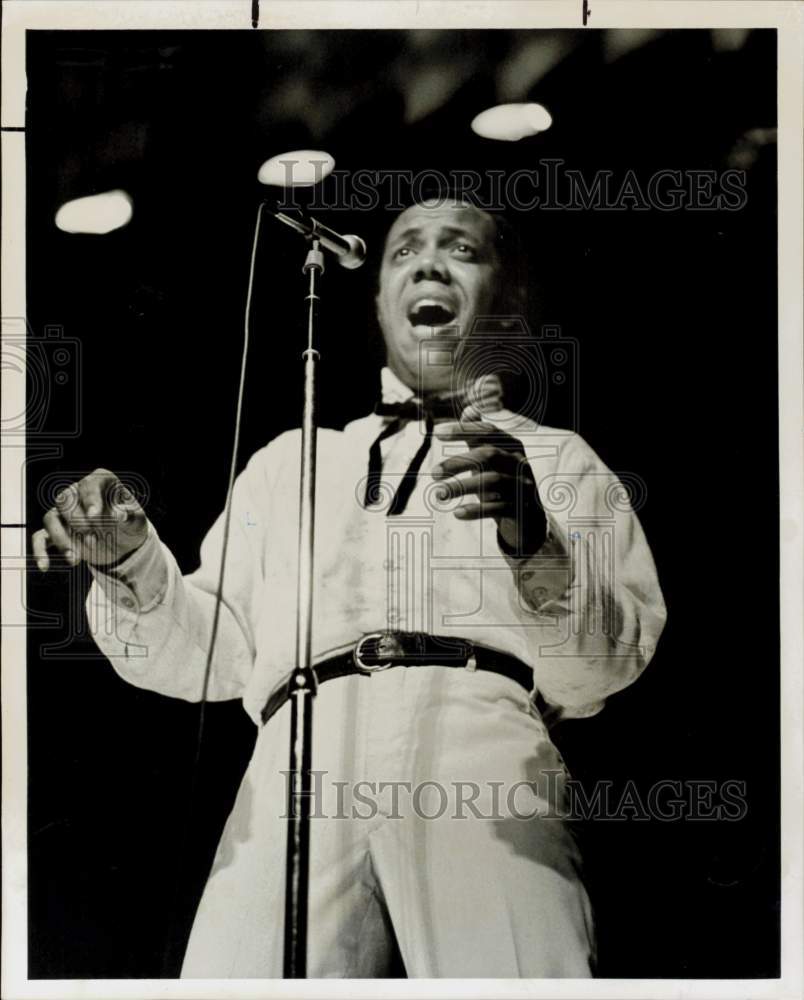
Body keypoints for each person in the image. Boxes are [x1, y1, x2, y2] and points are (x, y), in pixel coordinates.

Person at [33, 196, 666, 978]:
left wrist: (533, 538)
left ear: (510, 299)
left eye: (461, 250)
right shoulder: (291, 460)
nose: (428, 262)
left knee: (512, 975)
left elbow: (604, 666)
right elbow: (218, 653)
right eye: (403, 251)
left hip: (481, 747)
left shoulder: (559, 458)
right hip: (298, 747)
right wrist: (130, 564)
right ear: (376, 299)